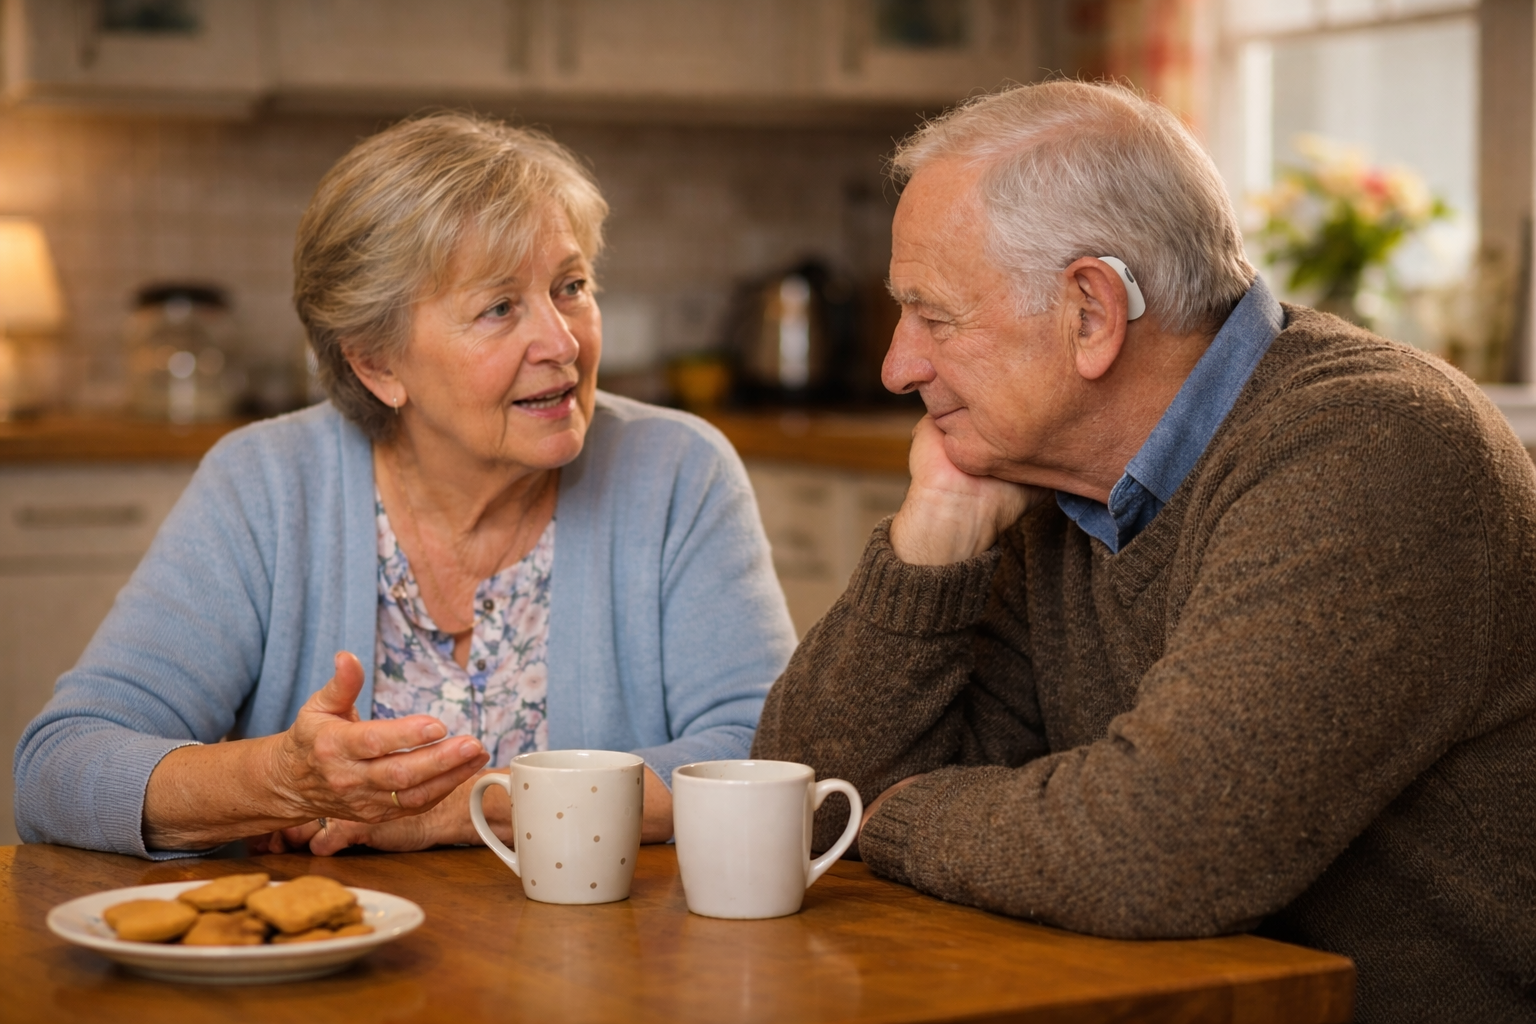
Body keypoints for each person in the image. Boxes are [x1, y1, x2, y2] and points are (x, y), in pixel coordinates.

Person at [751, 81, 1536, 1022]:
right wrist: (934, 541)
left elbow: (1162, 847)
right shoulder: (1054, 482)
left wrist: (908, 818)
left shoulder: (1372, 444)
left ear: (1090, 312)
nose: (897, 366)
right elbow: (804, 810)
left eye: (934, 316)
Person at [15, 113, 795, 860]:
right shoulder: (267, 486)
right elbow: (59, 770)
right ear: (377, 363)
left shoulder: (677, 472)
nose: (562, 343)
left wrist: (465, 811)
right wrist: (276, 781)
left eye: (571, 286)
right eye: (498, 308)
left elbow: (760, 755)